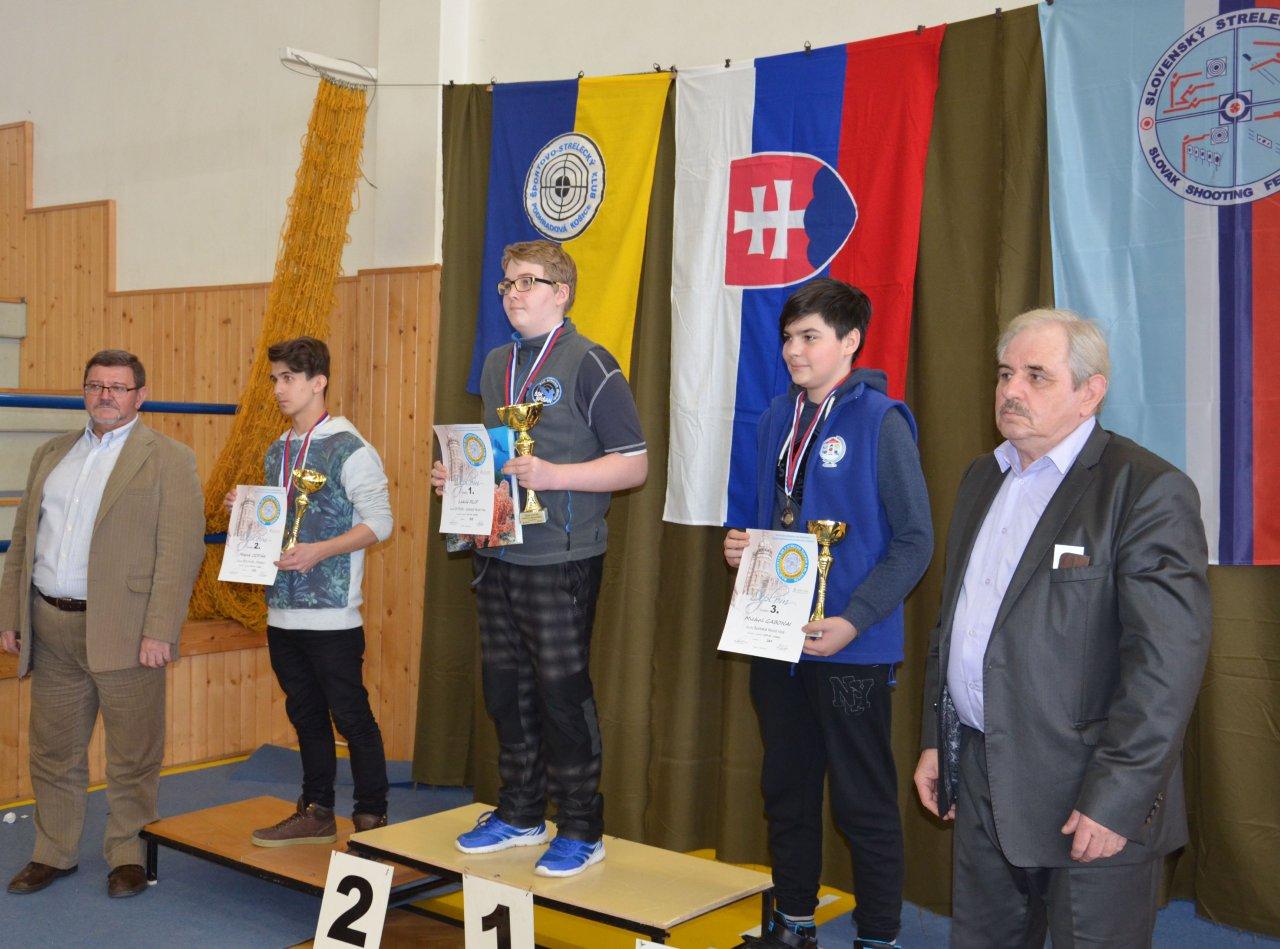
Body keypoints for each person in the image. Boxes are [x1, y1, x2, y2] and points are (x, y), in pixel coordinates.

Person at [913, 309, 1212, 947]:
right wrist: (940, 740)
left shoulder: (1147, 490)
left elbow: (1165, 668)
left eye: (1036, 375)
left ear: (1090, 392)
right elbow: (955, 624)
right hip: (983, 774)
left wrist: (1117, 799)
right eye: (1004, 374)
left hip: (1088, 794)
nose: (1011, 390)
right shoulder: (982, 477)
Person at [724, 278, 933, 949]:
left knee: (861, 798)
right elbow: (772, 521)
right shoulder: (773, 420)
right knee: (785, 788)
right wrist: (743, 547)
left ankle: (878, 936)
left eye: (810, 336)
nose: (794, 349)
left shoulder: (881, 420)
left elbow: (915, 541)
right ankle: (794, 923)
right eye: (788, 337)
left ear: (849, 342)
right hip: (776, 641)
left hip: (852, 648)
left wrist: (855, 618)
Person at [431, 240, 647, 877]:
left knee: (561, 695)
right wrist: (462, 482)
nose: (514, 294)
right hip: (500, 550)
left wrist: (555, 475)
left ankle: (582, 826)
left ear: (562, 292)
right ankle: (521, 811)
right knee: (506, 689)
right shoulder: (497, 362)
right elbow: (498, 456)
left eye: (528, 282)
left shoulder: (591, 363)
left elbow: (633, 464)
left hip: (561, 556)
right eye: (507, 284)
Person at [0, 350, 205, 898]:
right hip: (51, 626)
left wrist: (161, 630)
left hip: (129, 633)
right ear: (84, 391)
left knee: (133, 755)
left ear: (140, 395)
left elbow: (181, 551)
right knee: (52, 751)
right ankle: (53, 851)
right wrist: (11, 614)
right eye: (96, 385)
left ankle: (128, 854)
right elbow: (23, 541)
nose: (106, 395)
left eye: (118, 387)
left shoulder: (169, 459)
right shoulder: (51, 454)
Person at [229, 336, 394, 847]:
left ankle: (372, 818)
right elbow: (278, 522)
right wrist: (247, 509)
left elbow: (381, 523)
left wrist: (320, 551)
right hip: (282, 611)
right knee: (304, 715)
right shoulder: (276, 450)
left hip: (332, 615)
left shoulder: (351, 448)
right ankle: (317, 809)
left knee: (351, 717)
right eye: (274, 379)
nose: (279, 389)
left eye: (289, 378)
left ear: (318, 381)